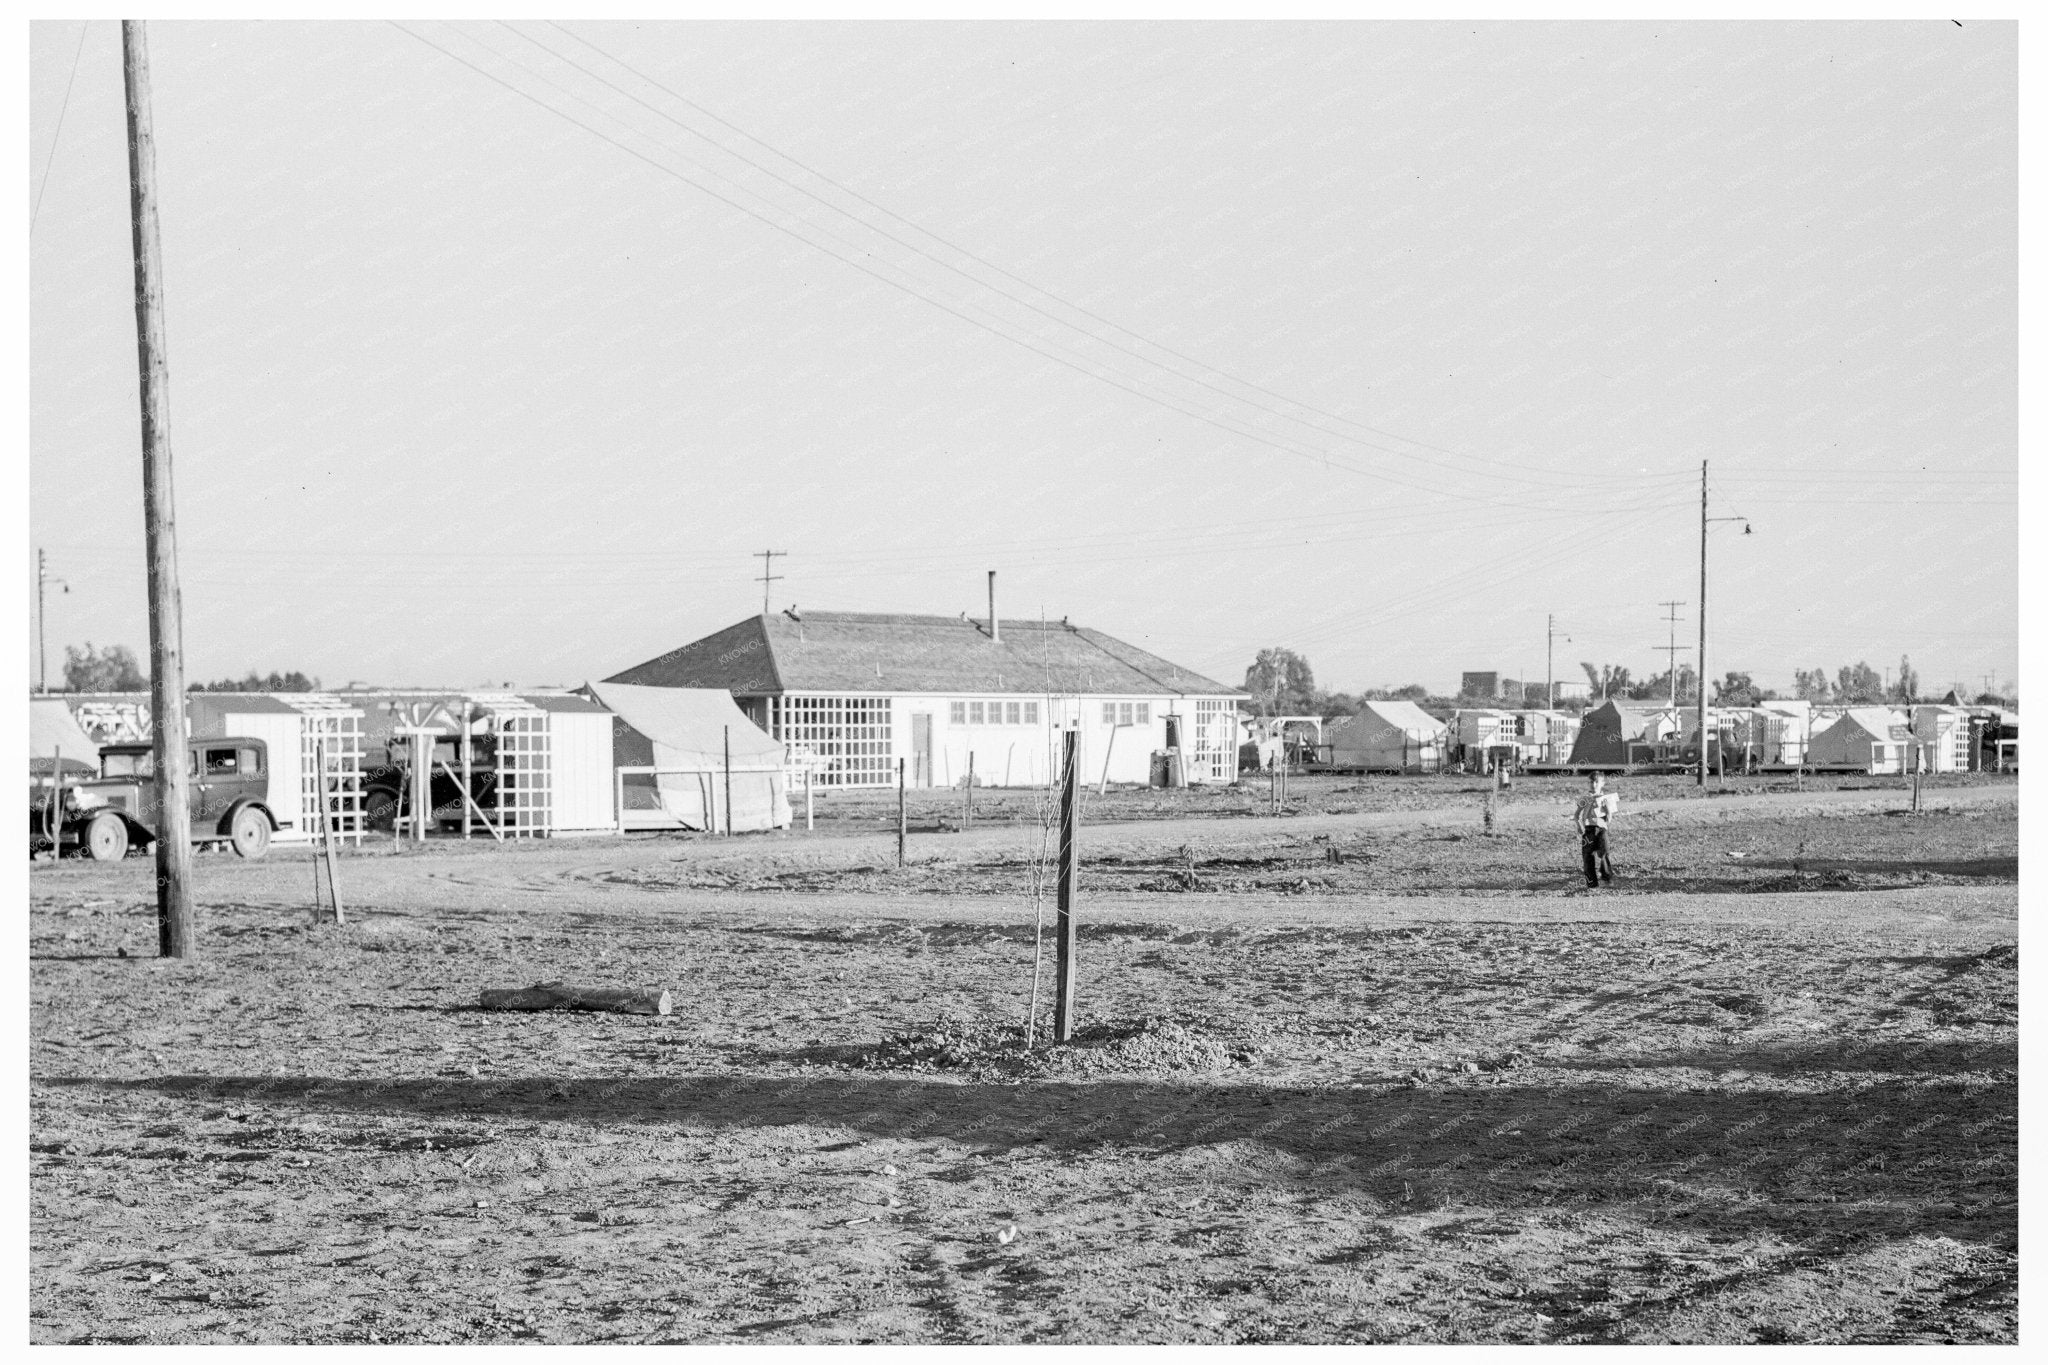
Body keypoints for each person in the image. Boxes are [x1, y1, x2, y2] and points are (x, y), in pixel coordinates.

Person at [1573, 773, 1619, 888]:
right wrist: (1579, 826)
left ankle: (1606, 877)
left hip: (1601, 830)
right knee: (1587, 856)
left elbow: (1609, 817)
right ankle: (1591, 884)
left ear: (1602, 783)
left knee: (1605, 852)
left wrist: (1607, 809)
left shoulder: (1606, 799)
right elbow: (1576, 815)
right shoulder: (1585, 798)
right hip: (1588, 830)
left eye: (1596, 782)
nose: (1593, 784)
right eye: (1591, 782)